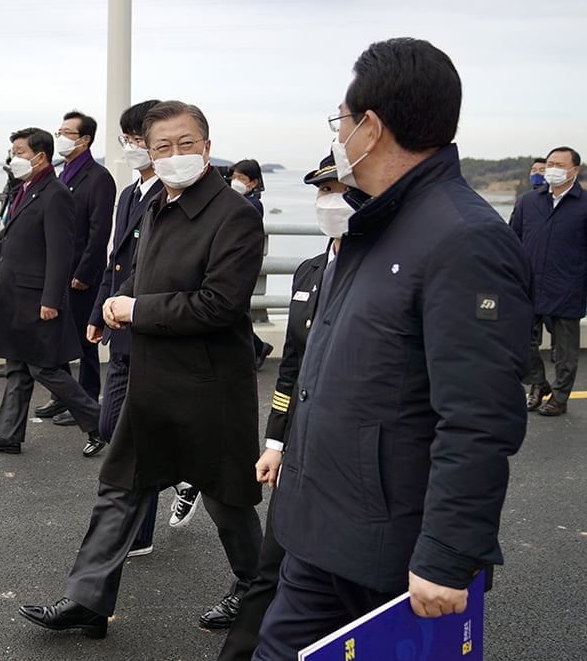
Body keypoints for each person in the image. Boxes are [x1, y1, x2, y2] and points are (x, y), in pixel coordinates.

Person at [253, 38, 532, 659]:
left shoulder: (464, 238)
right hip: (322, 530)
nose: (339, 135)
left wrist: (448, 555)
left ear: (371, 127)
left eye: (342, 122)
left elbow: (480, 418)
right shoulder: (371, 223)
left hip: (391, 553)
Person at [18, 101, 265, 639]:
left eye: (185, 143)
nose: (174, 155)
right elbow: (144, 276)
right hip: (152, 378)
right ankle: (87, 599)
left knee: (228, 501)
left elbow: (220, 305)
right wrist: (120, 300)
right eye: (161, 147)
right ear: (148, 151)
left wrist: (138, 310)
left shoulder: (235, 214)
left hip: (210, 387)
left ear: (206, 144)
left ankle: (258, 590)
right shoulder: (155, 204)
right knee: (120, 485)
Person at [216, 154, 354, 661]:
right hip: (297, 452)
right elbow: (291, 368)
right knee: (270, 568)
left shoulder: (381, 273)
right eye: (324, 191)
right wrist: (275, 439)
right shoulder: (311, 271)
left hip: (350, 457)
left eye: (340, 190)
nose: (330, 201)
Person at [85, 99, 200, 558]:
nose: (132, 148)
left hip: (153, 327)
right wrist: (99, 314)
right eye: (130, 140)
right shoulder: (130, 194)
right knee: (114, 426)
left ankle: (137, 533)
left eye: (136, 140)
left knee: (137, 434)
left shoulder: (171, 195)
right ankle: (187, 474)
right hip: (122, 326)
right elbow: (117, 264)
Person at [0, 128, 104, 457]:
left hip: (37, 299)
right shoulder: (27, 190)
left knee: (44, 368)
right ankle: (6, 435)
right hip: (17, 298)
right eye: (13, 152)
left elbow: (60, 252)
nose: (14, 158)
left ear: (40, 156)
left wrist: (52, 300)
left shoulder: (55, 194)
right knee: (19, 368)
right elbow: (13, 241)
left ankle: (102, 425)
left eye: (20, 152)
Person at [35, 110, 116, 423]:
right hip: (58, 271)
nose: (61, 137)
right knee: (57, 336)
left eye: (68, 132)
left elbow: (99, 232)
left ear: (85, 139)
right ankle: (62, 395)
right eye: (59, 131)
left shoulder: (99, 177)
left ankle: (85, 402)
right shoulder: (60, 172)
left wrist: (85, 273)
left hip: (82, 273)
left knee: (85, 342)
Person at [509, 146, 587, 417]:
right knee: (521, 341)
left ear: (574, 170)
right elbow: (512, 240)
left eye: (558, 164)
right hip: (528, 285)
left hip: (568, 287)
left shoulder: (584, 205)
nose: (551, 169)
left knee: (565, 351)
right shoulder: (529, 201)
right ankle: (538, 385)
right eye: (549, 163)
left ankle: (561, 397)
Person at [229, 158, 273, 370]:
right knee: (235, 313)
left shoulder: (254, 204)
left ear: (253, 182)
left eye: (241, 178)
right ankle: (257, 348)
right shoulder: (239, 199)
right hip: (234, 264)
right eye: (234, 177)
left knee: (235, 313)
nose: (235, 181)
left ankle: (257, 347)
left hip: (242, 265)